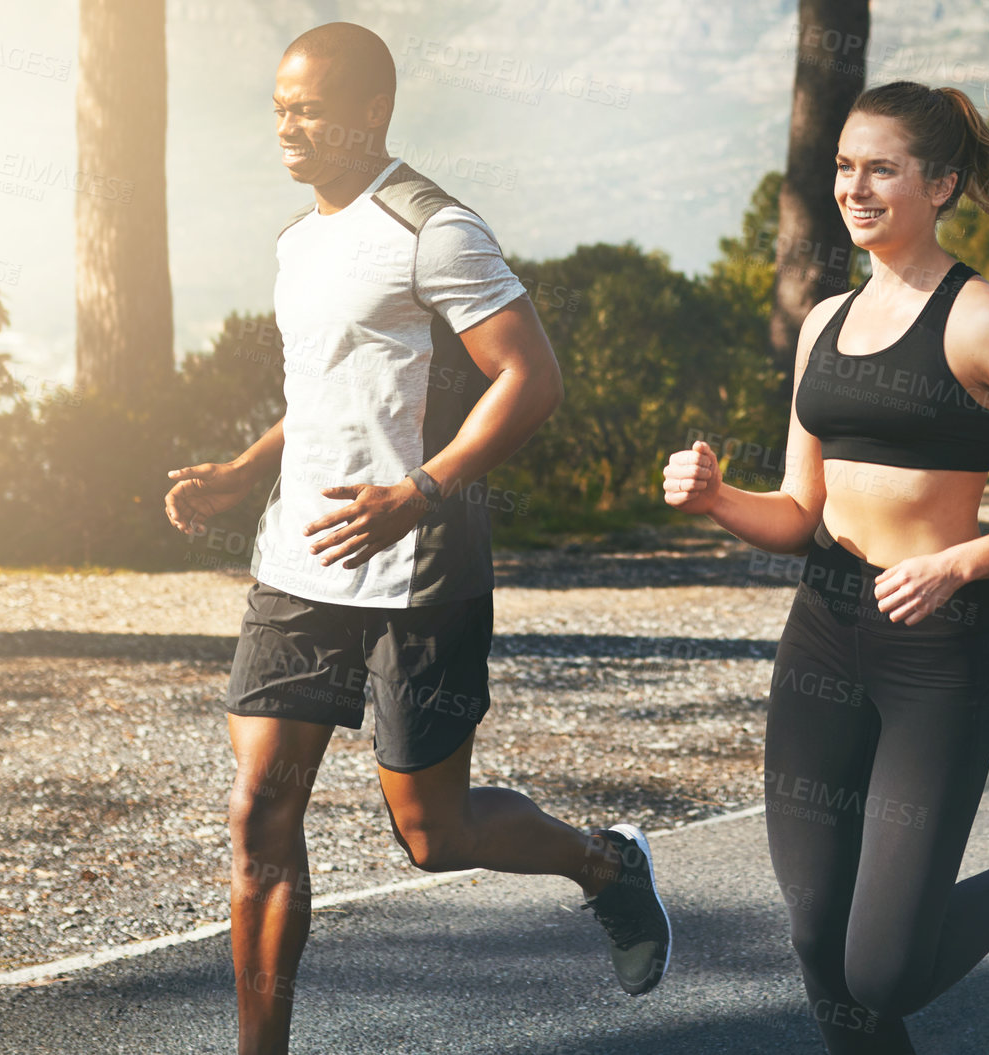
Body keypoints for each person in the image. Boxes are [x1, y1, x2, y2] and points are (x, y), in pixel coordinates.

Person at [661, 19, 989, 1053]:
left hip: (934, 649)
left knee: (883, 968)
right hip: (824, 630)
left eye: (881, 170)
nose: (855, 189)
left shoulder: (983, 321)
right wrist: (719, 498)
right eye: (845, 167)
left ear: (938, 185)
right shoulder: (823, 324)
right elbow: (800, 516)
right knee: (820, 946)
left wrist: (958, 560)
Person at [165, 22, 670, 1054]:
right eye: (278, 109)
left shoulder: (435, 229)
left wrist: (422, 488)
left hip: (420, 561)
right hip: (299, 559)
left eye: (307, 109)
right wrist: (243, 470)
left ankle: (605, 864)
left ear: (370, 113)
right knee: (259, 809)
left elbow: (532, 378)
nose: (287, 128)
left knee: (433, 834)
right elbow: (322, 394)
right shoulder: (299, 241)